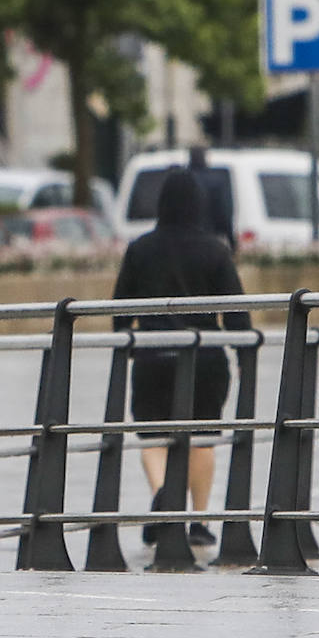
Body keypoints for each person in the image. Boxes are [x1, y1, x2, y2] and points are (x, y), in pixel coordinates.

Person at [112, 167, 251, 547]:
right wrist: (243, 354)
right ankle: (199, 520)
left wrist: (124, 340)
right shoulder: (215, 251)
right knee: (202, 438)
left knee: (153, 437)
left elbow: (120, 310)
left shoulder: (140, 249)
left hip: (152, 355)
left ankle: (163, 496)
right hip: (205, 357)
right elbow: (237, 311)